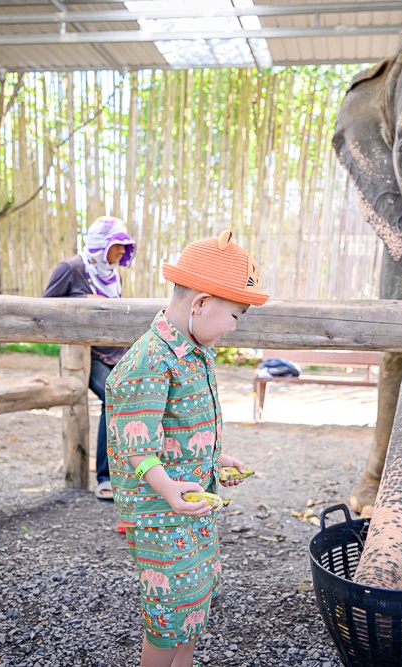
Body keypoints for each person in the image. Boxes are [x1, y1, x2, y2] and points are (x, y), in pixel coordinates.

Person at [106, 229, 267, 667]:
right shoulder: (150, 361)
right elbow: (136, 445)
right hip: (163, 513)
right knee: (167, 611)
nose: (234, 326)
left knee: (193, 600)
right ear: (200, 303)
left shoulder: (194, 352)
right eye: (235, 315)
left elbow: (181, 427)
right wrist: (168, 488)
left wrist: (217, 459)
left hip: (190, 503)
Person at [42, 215, 136, 500]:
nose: (122, 251)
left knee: (140, 392)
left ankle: (133, 472)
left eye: (125, 246)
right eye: (117, 245)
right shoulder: (70, 269)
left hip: (115, 352)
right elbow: (43, 310)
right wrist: (81, 304)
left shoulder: (112, 274)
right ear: (100, 245)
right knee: (115, 394)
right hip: (84, 355)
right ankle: (105, 478)